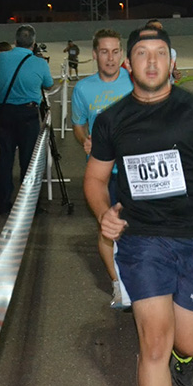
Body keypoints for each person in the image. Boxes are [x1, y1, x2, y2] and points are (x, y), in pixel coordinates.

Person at [84, 26, 193, 386]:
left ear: (172, 62)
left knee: (189, 343)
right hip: (142, 240)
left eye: (160, 53)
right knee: (154, 344)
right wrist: (103, 212)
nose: (152, 61)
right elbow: (94, 178)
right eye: (142, 53)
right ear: (128, 64)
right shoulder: (111, 120)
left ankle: (186, 359)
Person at [71, 29, 134, 309]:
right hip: (103, 172)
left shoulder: (134, 80)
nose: (110, 57)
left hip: (134, 168)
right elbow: (78, 124)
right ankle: (117, 284)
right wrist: (84, 140)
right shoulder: (83, 89)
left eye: (115, 51)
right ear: (95, 54)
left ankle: (142, 277)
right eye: (105, 52)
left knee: (139, 225)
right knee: (107, 226)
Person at [0, 25, 54, 215]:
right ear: (33, 43)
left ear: (15, 40)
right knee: (29, 161)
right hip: (27, 115)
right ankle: (29, 204)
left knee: (5, 158)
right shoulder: (39, 62)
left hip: (4, 113)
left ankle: (3, 202)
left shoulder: (1, 58)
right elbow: (48, 85)